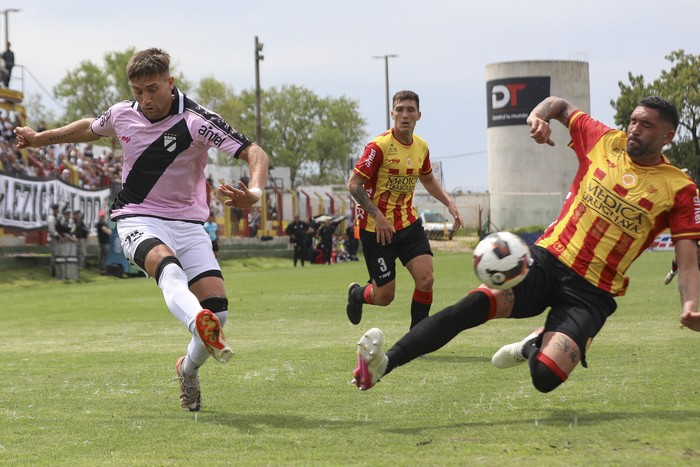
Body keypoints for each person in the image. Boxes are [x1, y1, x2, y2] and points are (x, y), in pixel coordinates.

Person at [350, 95, 700, 393]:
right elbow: (558, 104)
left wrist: (690, 304)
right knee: (470, 307)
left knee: (545, 378)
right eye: (633, 120)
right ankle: (384, 364)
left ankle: (534, 344)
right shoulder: (605, 140)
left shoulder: (679, 188)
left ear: (667, 136)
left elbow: (688, 259)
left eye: (647, 125)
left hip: (592, 292)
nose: (635, 128)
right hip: (545, 262)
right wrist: (537, 116)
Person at [14, 47, 270, 412]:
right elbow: (90, 127)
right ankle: (198, 321)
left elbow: (254, 152)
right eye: (138, 91)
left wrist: (255, 193)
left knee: (220, 311)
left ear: (170, 82)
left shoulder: (197, 121)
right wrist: (40, 138)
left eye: (152, 89)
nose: (145, 100)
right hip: (137, 216)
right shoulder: (122, 114)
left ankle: (188, 369)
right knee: (169, 269)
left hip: (187, 222)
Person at [346, 90, 463, 329]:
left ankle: (417, 338)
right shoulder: (378, 147)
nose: (405, 115)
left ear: (419, 115)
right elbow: (353, 185)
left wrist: (449, 203)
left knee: (426, 279)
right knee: (384, 297)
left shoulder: (421, 147)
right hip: (377, 230)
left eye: (410, 110)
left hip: (408, 224)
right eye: (400, 109)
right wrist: (377, 216)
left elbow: (428, 179)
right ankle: (358, 294)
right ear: (392, 114)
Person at [95, 209, 112, 274]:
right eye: (101, 216)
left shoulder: (104, 223)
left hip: (105, 241)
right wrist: (108, 230)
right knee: (102, 256)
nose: (102, 217)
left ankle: (103, 269)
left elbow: (109, 231)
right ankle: (102, 270)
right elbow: (108, 232)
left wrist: (108, 230)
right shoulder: (100, 223)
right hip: (102, 242)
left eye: (103, 216)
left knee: (104, 256)